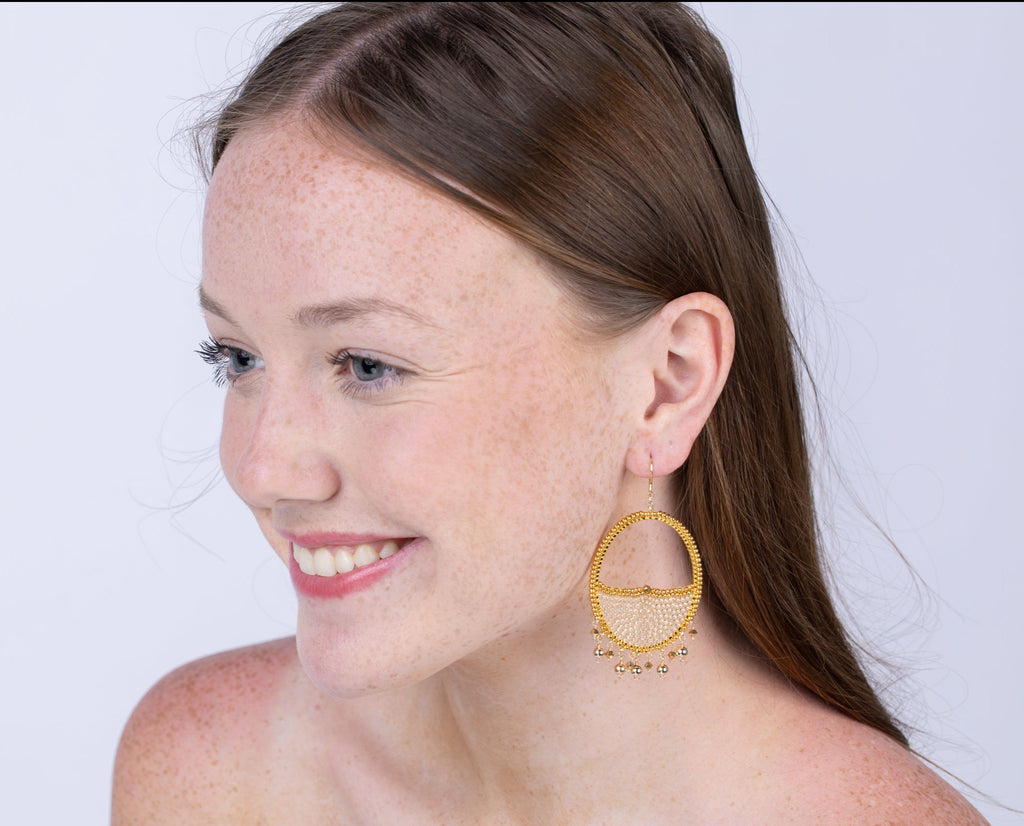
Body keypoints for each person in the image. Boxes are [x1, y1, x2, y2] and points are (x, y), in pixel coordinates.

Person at [111, 3, 988, 823]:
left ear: (668, 384)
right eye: (238, 358)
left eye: (368, 365)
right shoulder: (210, 773)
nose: (264, 469)